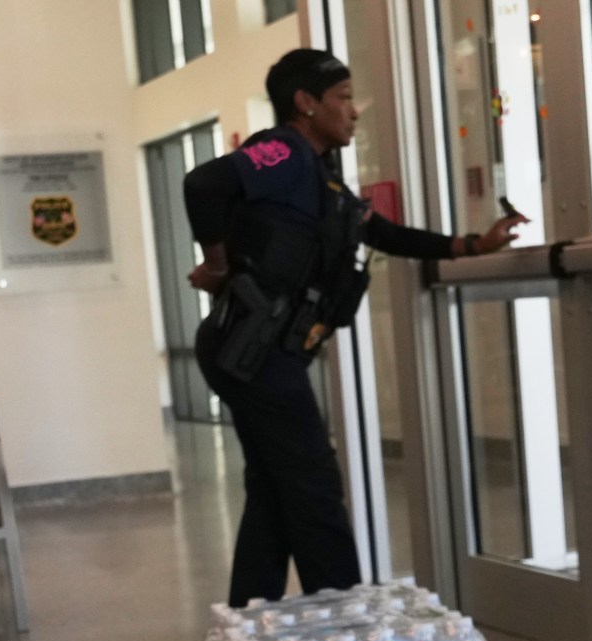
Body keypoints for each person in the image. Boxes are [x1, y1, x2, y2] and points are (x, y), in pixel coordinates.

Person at [184, 48, 524, 606]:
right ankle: (349, 623)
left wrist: (470, 245)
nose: (353, 112)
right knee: (315, 487)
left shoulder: (322, 176)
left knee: (273, 490)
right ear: (306, 103)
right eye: (342, 99)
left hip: (264, 352)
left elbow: (379, 232)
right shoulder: (285, 150)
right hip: (252, 351)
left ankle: (248, 622)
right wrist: (218, 264)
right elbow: (203, 185)